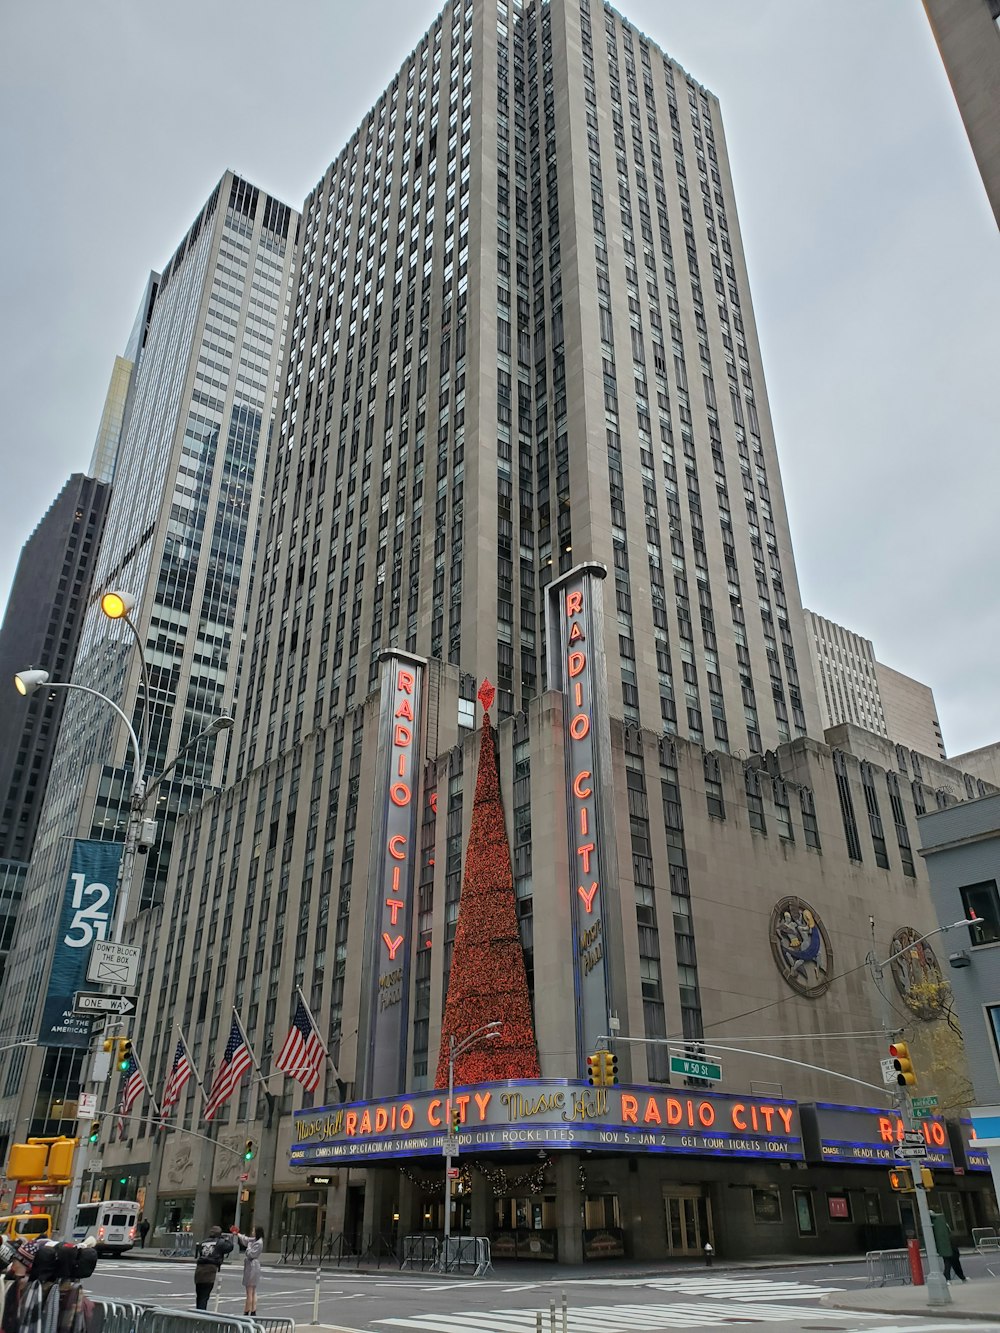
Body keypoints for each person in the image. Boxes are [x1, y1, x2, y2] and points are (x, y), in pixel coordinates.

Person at [193, 1225, 233, 1310]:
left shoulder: (204, 1242)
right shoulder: (220, 1242)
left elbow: (200, 1251)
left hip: (199, 1270)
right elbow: (230, 1247)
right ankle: (201, 1315)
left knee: (199, 1295)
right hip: (210, 1270)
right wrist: (224, 1238)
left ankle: (198, 1311)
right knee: (205, 1296)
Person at [231, 1225, 265, 1315]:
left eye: (254, 1231)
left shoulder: (258, 1243)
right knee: (253, 1290)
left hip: (252, 1266)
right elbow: (245, 1239)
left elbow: (250, 1254)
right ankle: (253, 1310)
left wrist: (248, 1248)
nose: (252, 1232)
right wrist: (237, 1234)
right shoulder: (255, 1240)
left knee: (249, 1290)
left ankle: (247, 1311)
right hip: (253, 1266)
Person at [930, 1209, 967, 1282]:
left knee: (949, 1262)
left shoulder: (936, 1225)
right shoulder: (941, 1224)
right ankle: (954, 1277)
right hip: (950, 1245)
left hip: (946, 1246)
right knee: (952, 1262)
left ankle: (951, 1277)